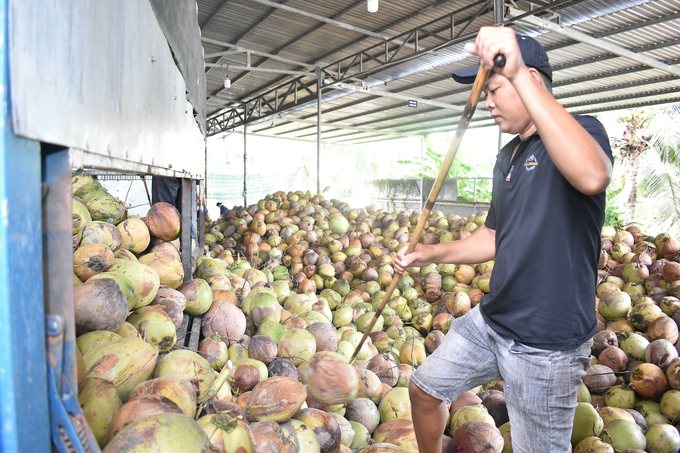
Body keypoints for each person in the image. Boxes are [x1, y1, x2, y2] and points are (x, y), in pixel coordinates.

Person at [394, 27, 613, 453]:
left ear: (530, 80)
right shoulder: (506, 156)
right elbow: (495, 234)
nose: (487, 103)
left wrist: (520, 75)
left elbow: (592, 175)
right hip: (494, 320)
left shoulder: (582, 132)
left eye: (494, 89)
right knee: (423, 390)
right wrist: (430, 254)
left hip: (546, 345)